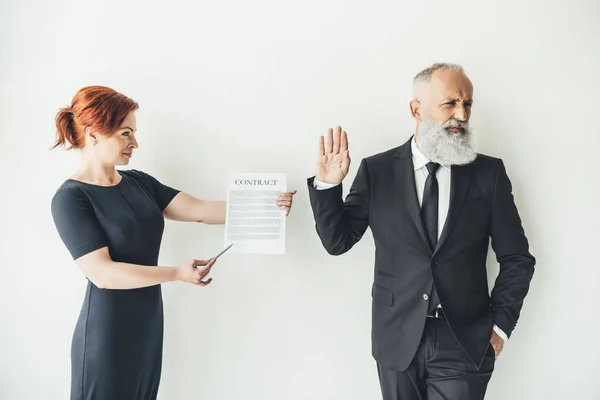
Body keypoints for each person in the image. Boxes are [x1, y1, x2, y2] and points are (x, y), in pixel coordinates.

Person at [50, 85, 297, 400]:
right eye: (126, 133)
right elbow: (103, 274)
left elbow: (198, 210)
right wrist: (176, 273)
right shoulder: (71, 198)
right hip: (106, 333)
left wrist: (267, 206)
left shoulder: (139, 182)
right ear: (94, 133)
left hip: (148, 325)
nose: (135, 143)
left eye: (134, 133)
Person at [306, 63, 535, 399]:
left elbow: (517, 258)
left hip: (464, 340)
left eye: (467, 104)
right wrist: (328, 186)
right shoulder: (377, 170)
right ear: (417, 109)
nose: (461, 114)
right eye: (450, 103)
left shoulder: (489, 174)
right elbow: (337, 242)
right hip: (396, 339)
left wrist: (500, 326)